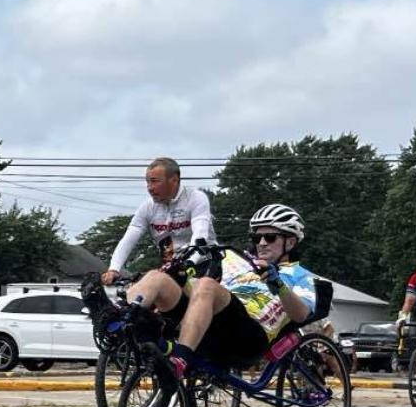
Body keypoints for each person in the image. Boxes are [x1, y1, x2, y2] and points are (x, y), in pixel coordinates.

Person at [132, 203, 316, 374]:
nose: (261, 243)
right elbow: (200, 293)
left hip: (250, 338)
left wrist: (279, 285)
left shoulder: (300, 274)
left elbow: (301, 314)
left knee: (206, 285)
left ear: (290, 242)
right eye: (256, 237)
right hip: (210, 325)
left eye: (269, 237)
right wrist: (181, 275)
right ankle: (118, 319)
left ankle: (180, 359)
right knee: (158, 278)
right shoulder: (236, 260)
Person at [102, 157, 215, 285]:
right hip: (173, 270)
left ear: (174, 180)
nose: (150, 188)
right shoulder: (147, 207)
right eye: (148, 182)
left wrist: (188, 262)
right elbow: (129, 238)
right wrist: (114, 269)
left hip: (205, 264)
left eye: (155, 182)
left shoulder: (196, 198)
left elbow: (200, 234)